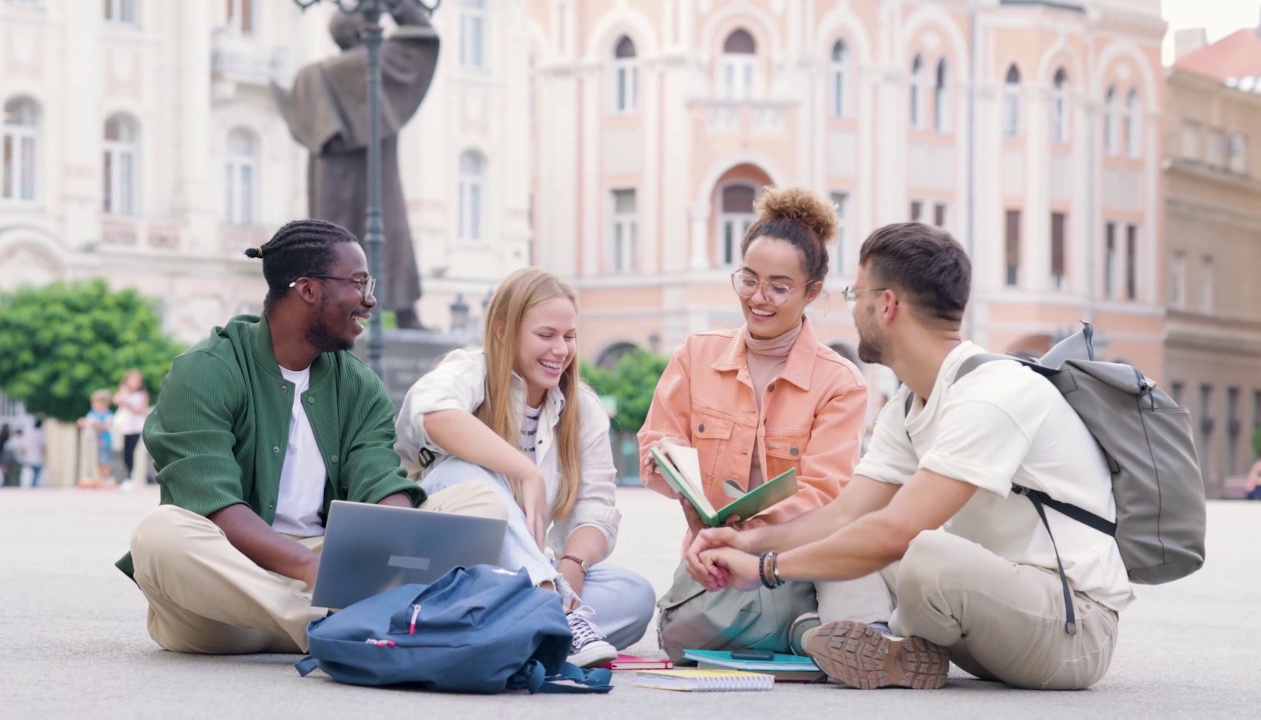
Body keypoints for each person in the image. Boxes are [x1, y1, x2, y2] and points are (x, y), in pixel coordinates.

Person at [687, 222, 1132, 691]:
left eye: (856, 295)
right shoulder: (909, 402)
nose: (852, 309)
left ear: (887, 304)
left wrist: (766, 570)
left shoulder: (994, 394)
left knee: (917, 549)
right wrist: (746, 542)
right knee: (854, 537)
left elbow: (896, 532)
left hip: (1070, 630)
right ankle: (879, 644)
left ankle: (883, 641)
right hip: (984, 613)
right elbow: (844, 514)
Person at [114, 219, 509, 655]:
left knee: (479, 501)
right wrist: (309, 567)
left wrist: (401, 539)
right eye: (359, 283)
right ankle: (335, 630)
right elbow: (216, 507)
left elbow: (378, 480)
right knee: (160, 533)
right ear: (307, 290)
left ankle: (353, 624)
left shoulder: (358, 384)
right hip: (226, 599)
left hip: (333, 574)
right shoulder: (206, 369)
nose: (371, 299)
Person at [636, 187, 889, 661]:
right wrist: (700, 523)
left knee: (826, 584)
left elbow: (824, 493)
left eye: (778, 286)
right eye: (748, 280)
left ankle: (820, 629)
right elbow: (659, 443)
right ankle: (810, 634)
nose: (758, 298)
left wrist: (752, 540)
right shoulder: (696, 355)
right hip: (715, 554)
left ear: (812, 292)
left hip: (801, 554)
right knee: (677, 634)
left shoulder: (841, 383)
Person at [394, 267, 655, 668]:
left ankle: (522, 624)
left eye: (569, 337)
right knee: (464, 473)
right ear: (503, 331)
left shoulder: (583, 408)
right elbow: (432, 415)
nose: (561, 350)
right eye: (546, 335)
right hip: (455, 571)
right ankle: (550, 616)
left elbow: (596, 507)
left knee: (634, 594)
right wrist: (525, 471)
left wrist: (572, 568)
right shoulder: (469, 371)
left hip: (524, 576)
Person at [272, 4, 437, 329]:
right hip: (376, 175)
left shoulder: (312, 76)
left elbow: (294, 112)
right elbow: (421, 37)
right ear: (367, 30)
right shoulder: (378, 61)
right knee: (388, 233)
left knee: (334, 245)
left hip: (330, 183)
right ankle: (405, 313)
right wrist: (398, 7)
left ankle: (332, 315)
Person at [113, 368, 150, 488]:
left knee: (131, 451)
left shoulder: (142, 395)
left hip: (136, 426)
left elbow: (142, 410)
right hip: (125, 426)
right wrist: (123, 391)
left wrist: (129, 405)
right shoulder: (124, 393)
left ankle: (130, 475)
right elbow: (116, 400)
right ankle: (127, 475)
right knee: (124, 451)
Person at [77, 390, 115, 487]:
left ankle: (106, 477)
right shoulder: (92, 414)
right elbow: (87, 422)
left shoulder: (108, 414)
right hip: (94, 443)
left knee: (105, 460)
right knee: (97, 461)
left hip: (105, 441)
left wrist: (95, 424)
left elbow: (106, 425)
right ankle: (100, 478)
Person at [20, 419, 44, 488]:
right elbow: (43, 446)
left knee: (32, 472)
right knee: (36, 472)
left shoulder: (30, 433)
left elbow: (24, 446)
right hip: (37, 457)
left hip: (29, 456)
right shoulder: (41, 433)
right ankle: (34, 484)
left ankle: (32, 484)